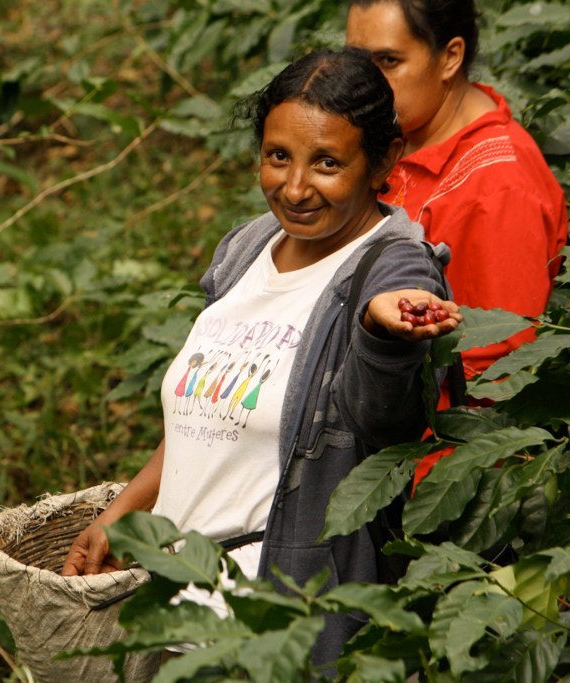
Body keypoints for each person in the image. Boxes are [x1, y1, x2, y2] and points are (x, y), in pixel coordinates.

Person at [60, 48, 463, 663]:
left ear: (383, 160)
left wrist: (384, 338)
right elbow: (213, 421)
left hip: (278, 631)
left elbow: (384, 425)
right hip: (175, 613)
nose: (295, 187)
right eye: (279, 157)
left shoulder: (394, 268)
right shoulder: (249, 247)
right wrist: (123, 514)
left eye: (327, 163)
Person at [346, 0, 567, 384]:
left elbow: (490, 372)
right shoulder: (401, 130)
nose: (365, 83)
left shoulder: (499, 190)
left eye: (388, 62)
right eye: (358, 62)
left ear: (450, 57)